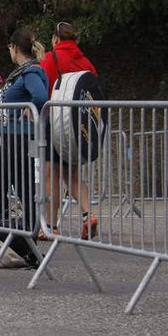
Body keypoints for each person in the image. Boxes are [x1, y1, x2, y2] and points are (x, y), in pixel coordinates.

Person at [0, 28, 48, 266]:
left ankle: (20, 240)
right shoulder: (22, 72)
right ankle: (11, 234)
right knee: (3, 184)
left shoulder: (31, 71)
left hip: (21, 139)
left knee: (6, 185)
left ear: (14, 47)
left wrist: (29, 107)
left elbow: (41, 96)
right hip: (12, 137)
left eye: (9, 48)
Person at [39, 21, 99, 239]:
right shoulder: (85, 61)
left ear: (55, 39)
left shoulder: (51, 57)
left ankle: (50, 225)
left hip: (55, 122)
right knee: (72, 174)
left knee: (51, 173)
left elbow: (43, 88)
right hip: (77, 126)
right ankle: (88, 214)